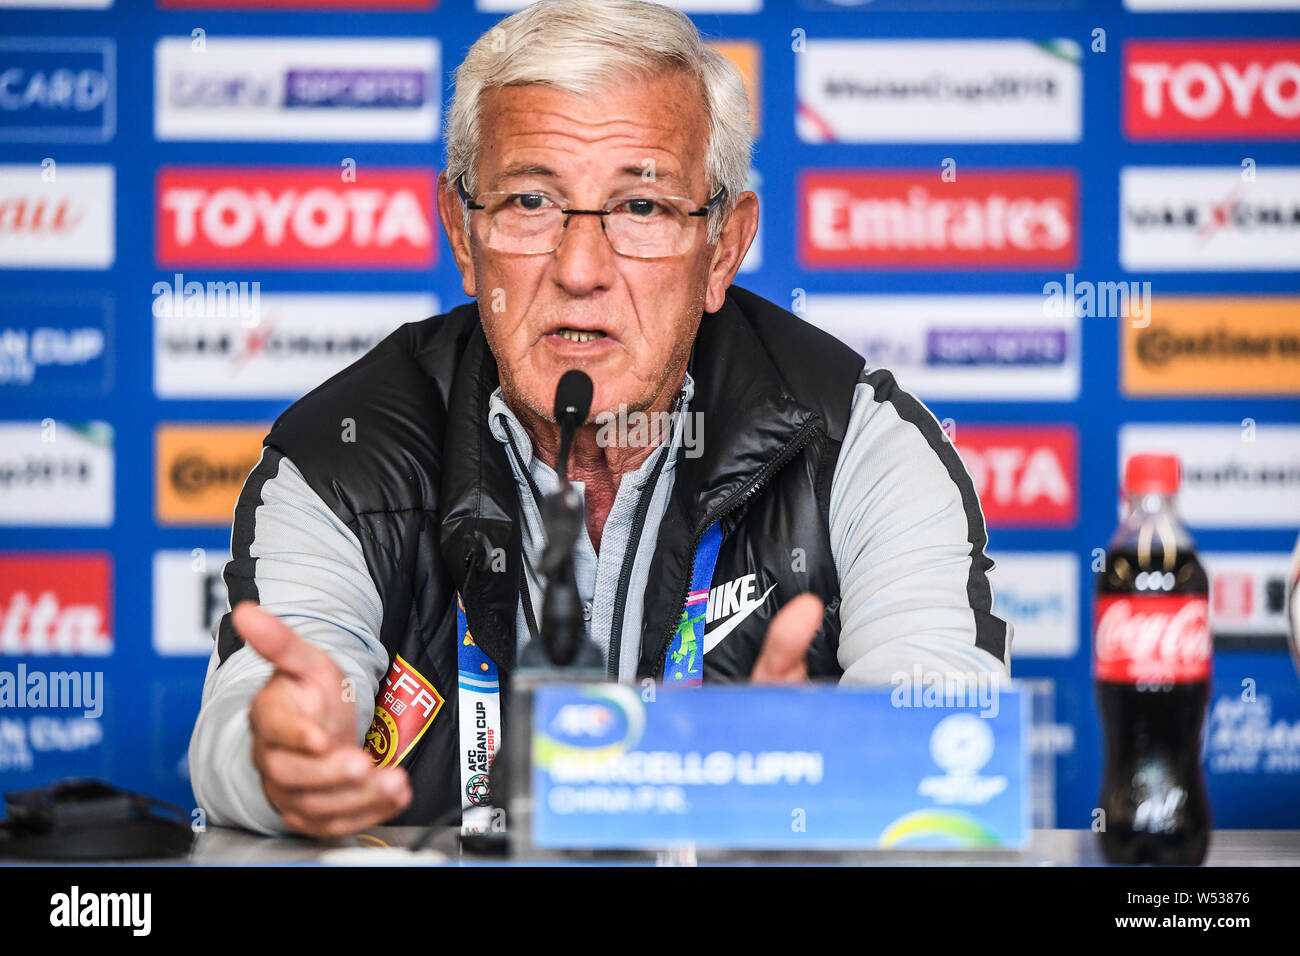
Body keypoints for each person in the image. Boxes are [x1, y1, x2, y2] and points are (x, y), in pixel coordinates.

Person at [189, 0, 1011, 840]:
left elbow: (949, 741)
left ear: (723, 247)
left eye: (643, 209)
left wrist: (797, 760)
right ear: (466, 236)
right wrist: (277, 758)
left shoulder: (859, 441)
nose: (580, 269)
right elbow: (255, 716)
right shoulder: (342, 459)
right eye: (531, 201)